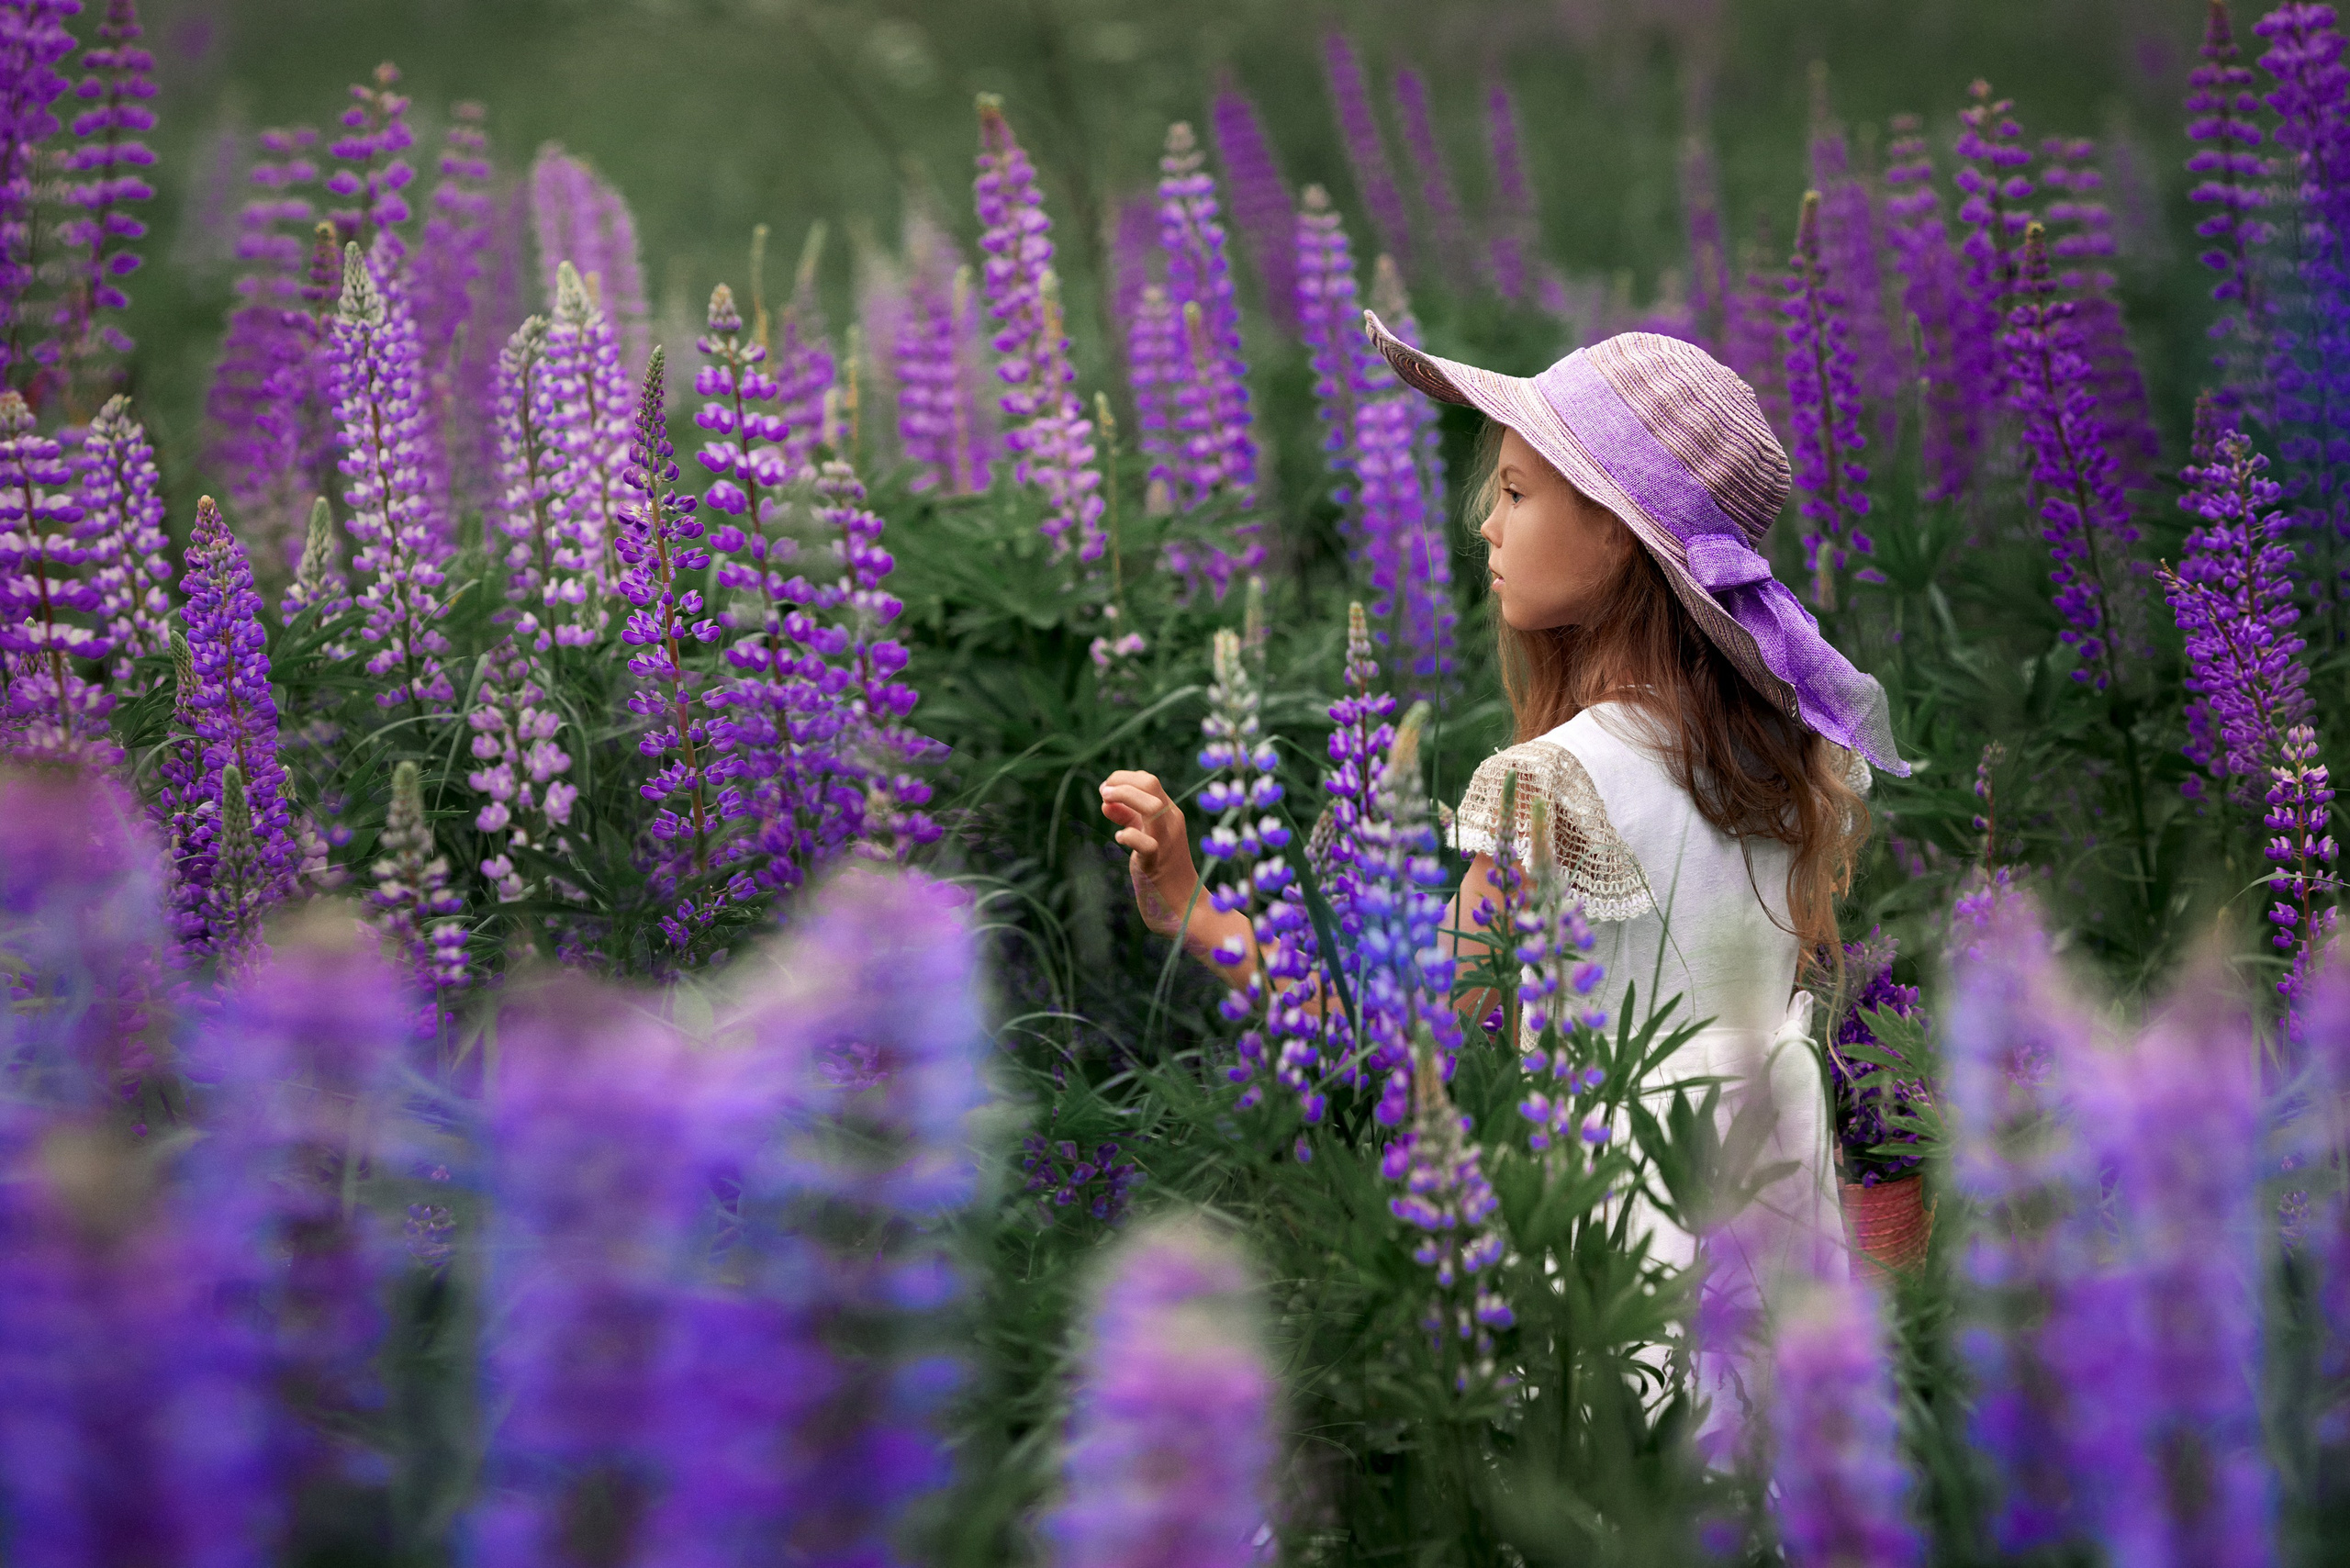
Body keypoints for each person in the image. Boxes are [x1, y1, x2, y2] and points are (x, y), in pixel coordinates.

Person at [1096, 323, 1907, 1288]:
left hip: (1614, 1249)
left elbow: (1395, 1027)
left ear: (1613, 530)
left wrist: (1194, 911)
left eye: (1518, 493)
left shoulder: (1554, 783)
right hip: (1781, 1245)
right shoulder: (1788, 769)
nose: (1487, 521)